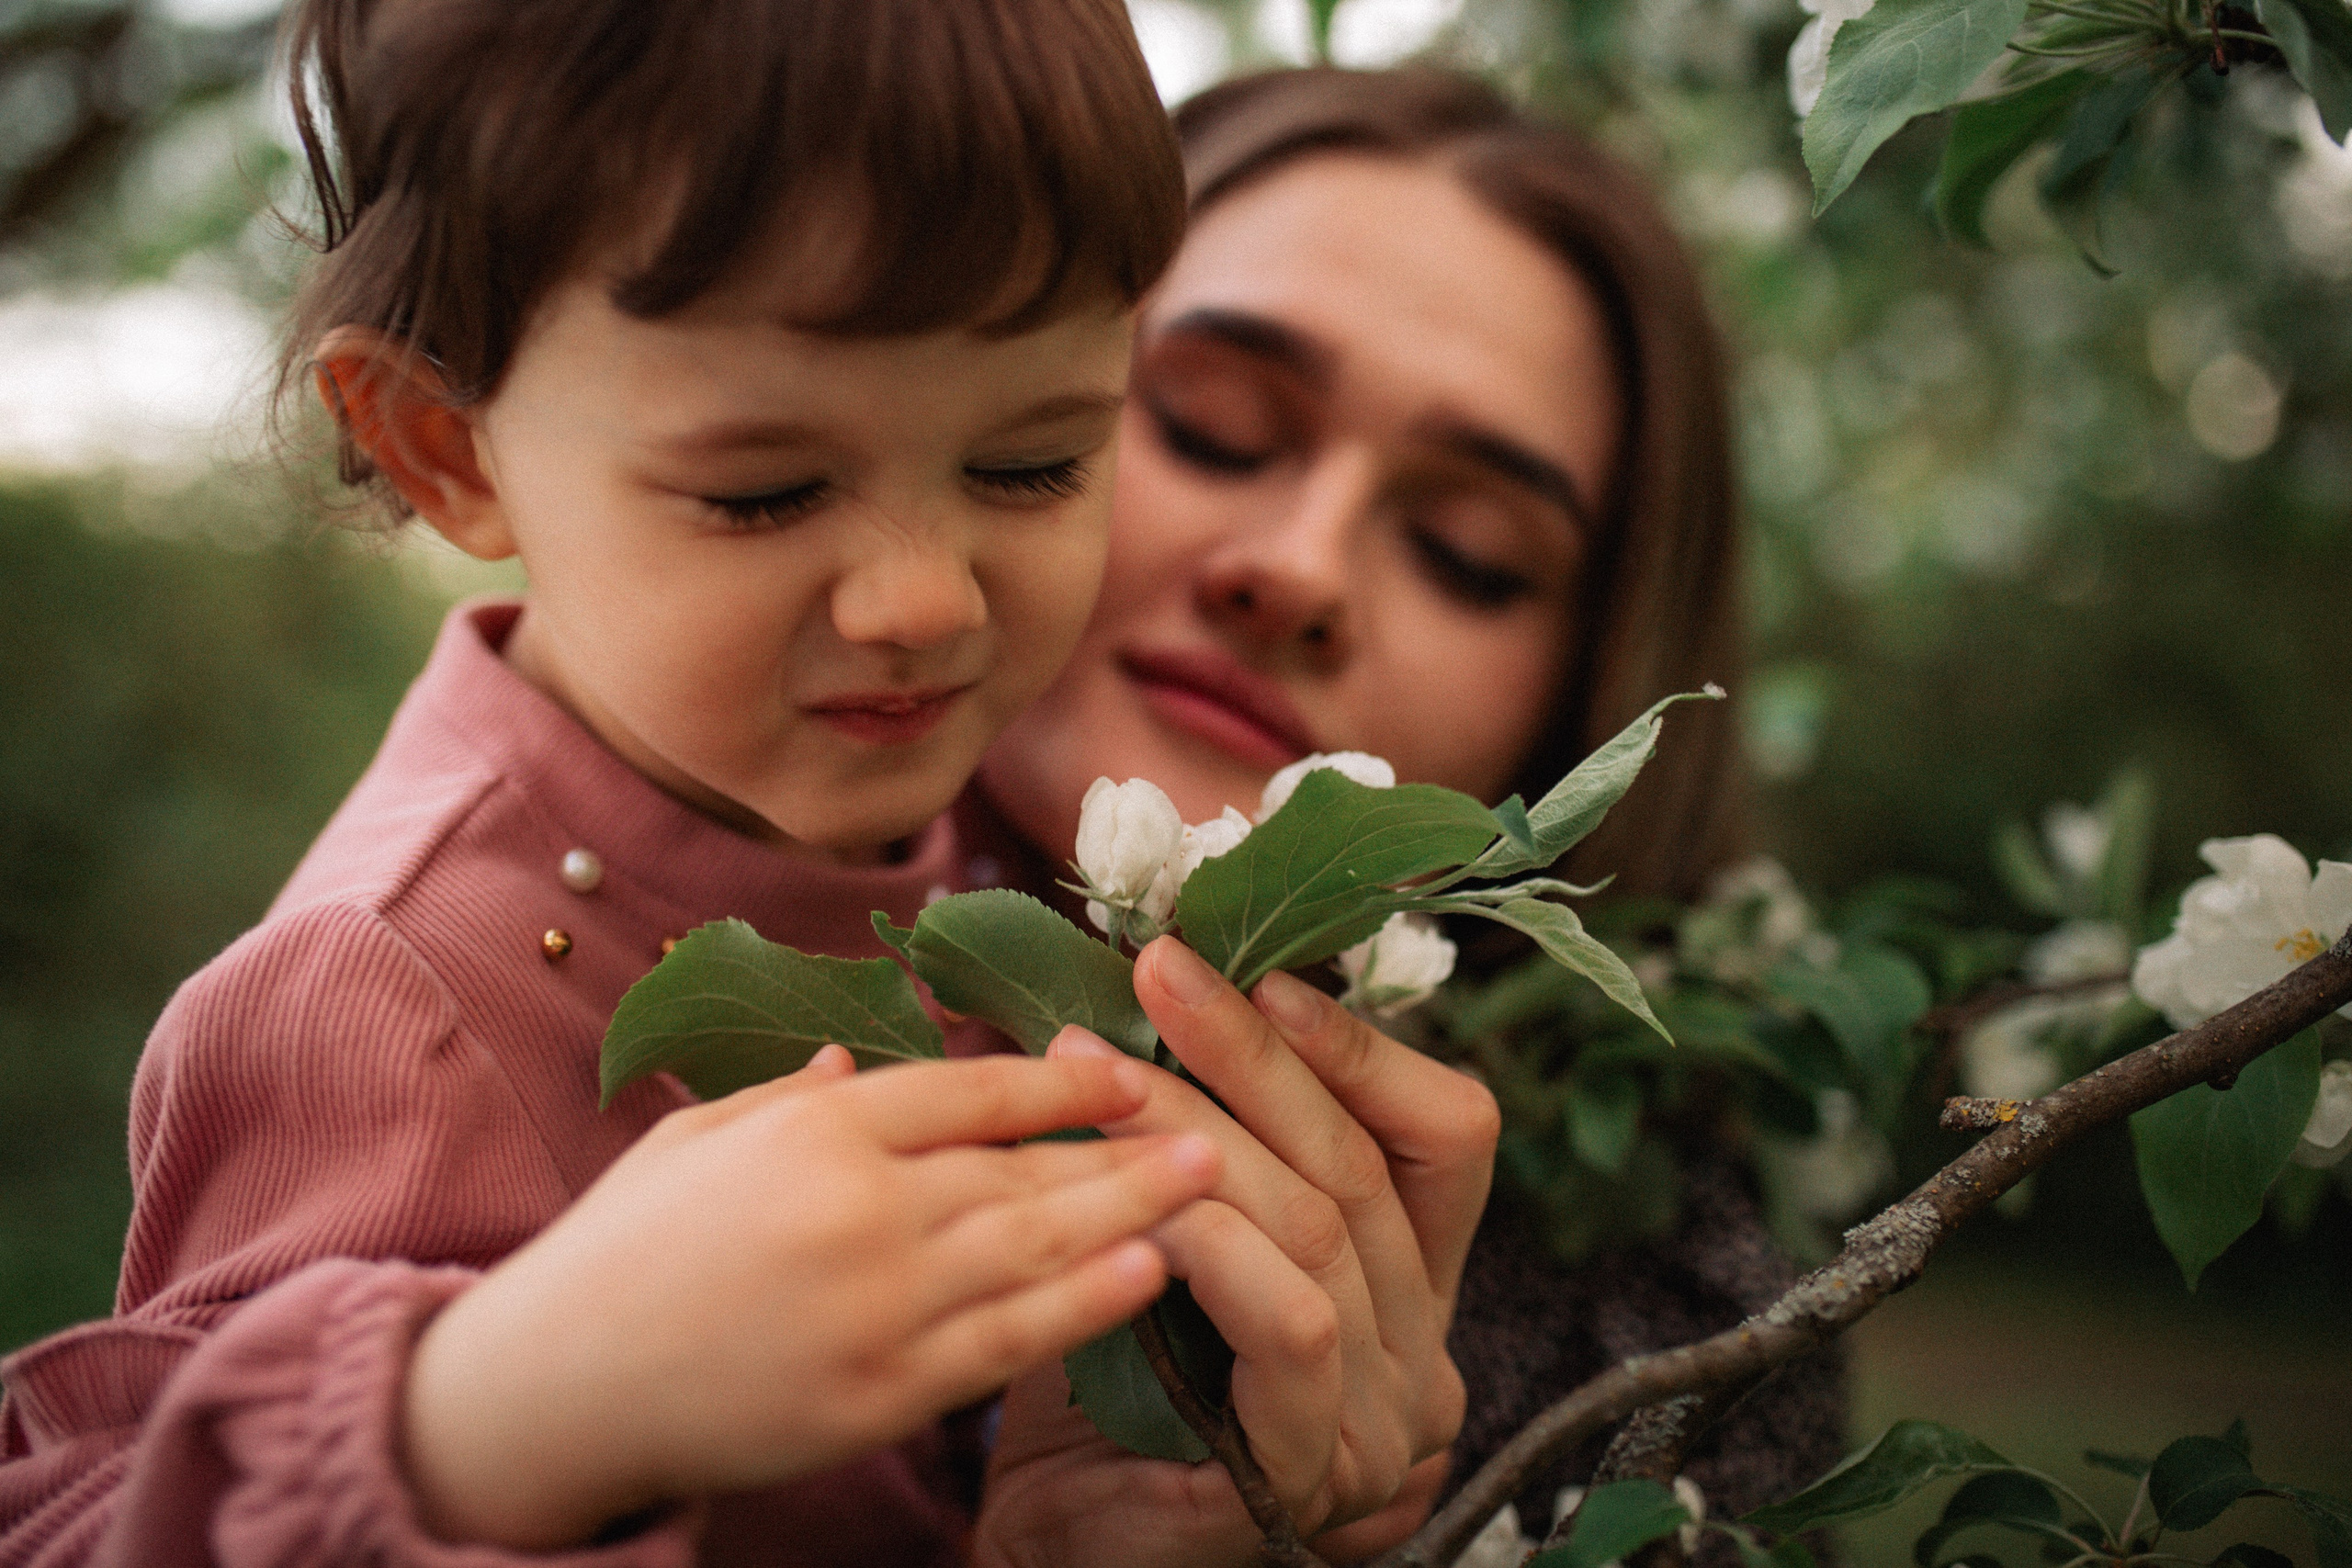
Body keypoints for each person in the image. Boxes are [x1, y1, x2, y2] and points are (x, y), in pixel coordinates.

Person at [0, 12, 1493, 1567]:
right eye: (764, 491)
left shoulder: (989, 840)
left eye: (1034, 463)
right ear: (445, 446)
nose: (923, 600)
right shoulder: (390, 1000)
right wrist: (495, 1418)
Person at [970, 65, 1846, 1551]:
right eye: (1211, 423)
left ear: (1582, 698)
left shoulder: (1669, 1346)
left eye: (1467, 551)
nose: (1301, 568)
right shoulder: (543, 936)